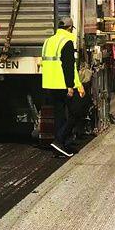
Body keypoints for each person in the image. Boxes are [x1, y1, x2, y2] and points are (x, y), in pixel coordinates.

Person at [41, 16, 85, 157]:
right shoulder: (67, 41)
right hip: (63, 84)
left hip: (49, 84)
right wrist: (72, 86)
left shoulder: (48, 41)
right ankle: (60, 140)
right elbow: (68, 66)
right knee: (76, 112)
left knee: (59, 115)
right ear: (70, 28)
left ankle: (60, 146)